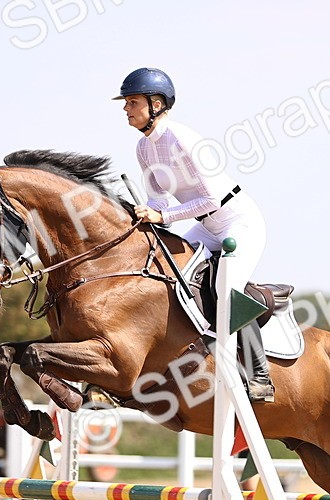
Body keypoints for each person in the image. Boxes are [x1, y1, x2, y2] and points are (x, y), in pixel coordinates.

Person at [115, 67, 275, 402]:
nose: (126, 108)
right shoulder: (144, 148)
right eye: (126, 102)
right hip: (206, 225)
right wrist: (145, 215)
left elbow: (211, 199)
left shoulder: (183, 140)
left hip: (237, 221)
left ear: (156, 104)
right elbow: (158, 198)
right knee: (168, 271)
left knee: (223, 286)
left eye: (133, 102)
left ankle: (260, 375)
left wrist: (163, 214)